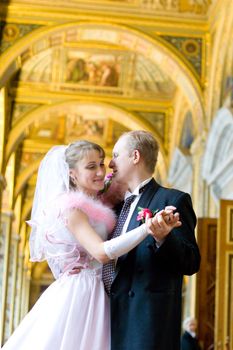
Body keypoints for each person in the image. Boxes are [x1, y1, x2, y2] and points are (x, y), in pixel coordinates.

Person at [1, 140, 180, 350]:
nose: (100, 171)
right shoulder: (72, 209)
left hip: (103, 290)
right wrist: (147, 228)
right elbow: (101, 253)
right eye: (91, 166)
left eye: (101, 164)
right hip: (83, 292)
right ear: (72, 174)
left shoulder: (100, 204)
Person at [102, 130, 201, 350]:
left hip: (145, 327)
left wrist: (163, 238)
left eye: (116, 155)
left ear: (135, 157)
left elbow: (191, 262)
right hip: (105, 320)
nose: (110, 163)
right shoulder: (113, 207)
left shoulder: (172, 200)